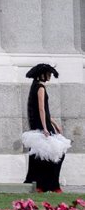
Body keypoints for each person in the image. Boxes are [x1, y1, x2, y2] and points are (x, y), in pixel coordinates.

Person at [22, 63, 70, 193]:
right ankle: (51, 185)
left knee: (39, 155)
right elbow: (41, 109)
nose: (49, 76)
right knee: (57, 153)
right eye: (48, 73)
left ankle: (39, 184)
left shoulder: (34, 86)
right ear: (41, 75)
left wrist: (54, 124)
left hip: (39, 124)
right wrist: (45, 128)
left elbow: (44, 111)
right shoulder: (41, 88)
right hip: (42, 125)